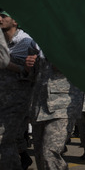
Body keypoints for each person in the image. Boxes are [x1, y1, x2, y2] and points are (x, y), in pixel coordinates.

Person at [30, 56, 84, 170]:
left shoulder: (77, 40)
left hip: (62, 102)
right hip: (39, 103)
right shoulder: (36, 42)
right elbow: (33, 74)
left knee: (50, 153)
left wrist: (61, 60)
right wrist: (29, 65)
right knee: (40, 154)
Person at [0, 10, 38, 169]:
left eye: (3, 16)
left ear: (15, 21)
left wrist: (6, 63)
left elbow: (31, 71)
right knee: (14, 138)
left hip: (18, 98)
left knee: (5, 138)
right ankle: (22, 159)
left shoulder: (26, 42)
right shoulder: (2, 40)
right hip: (3, 96)